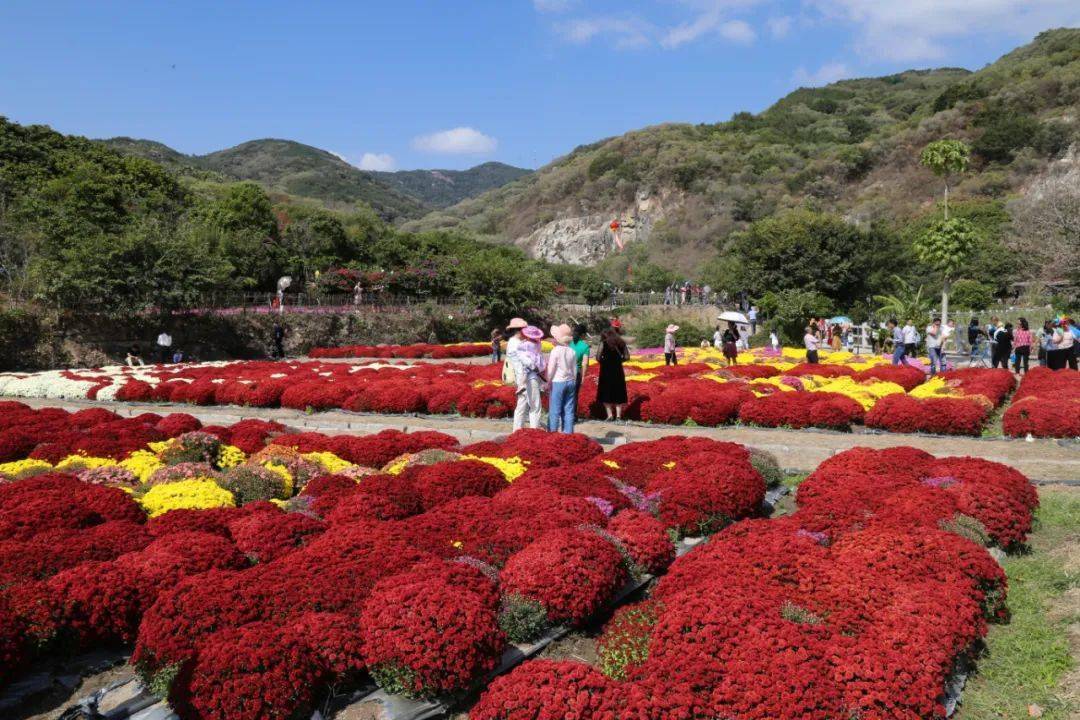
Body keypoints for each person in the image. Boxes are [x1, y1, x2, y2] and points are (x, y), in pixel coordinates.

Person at [506, 319, 545, 430]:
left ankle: (517, 431)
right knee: (535, 406)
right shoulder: (520, 344)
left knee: (521, 406)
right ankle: (533, 432)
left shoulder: (512, 342)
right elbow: (530, 363)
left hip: (521, 379)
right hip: (529, 378)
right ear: (519, 331)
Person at [545, 324, 577, 433]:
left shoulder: (556, 350)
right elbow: (575, 369)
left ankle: (552, 432)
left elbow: (551, 369)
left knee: (555, 409)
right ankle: (568, 433)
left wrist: (548, 381)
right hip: (571, 381)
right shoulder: (572, 351)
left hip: (558, 381)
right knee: (569, 409)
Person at [597, 327, 629, 421]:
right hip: (618, 370)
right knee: (618, 391)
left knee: (606, 392)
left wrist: (605, 361)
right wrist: (619, 361)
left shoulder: (603, 343)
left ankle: (610, 415)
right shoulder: (621, 343)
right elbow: (627, 357)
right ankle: (618, 416)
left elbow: (598, 357)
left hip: (605, 370)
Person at [571, 324, 591, 402]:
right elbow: (584, 363)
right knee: (574, 395)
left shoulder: (569, 343)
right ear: (583, 335)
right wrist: (583, 377)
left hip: (565, 371)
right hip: (577, 372)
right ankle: (572, 413)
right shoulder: (585, 347)